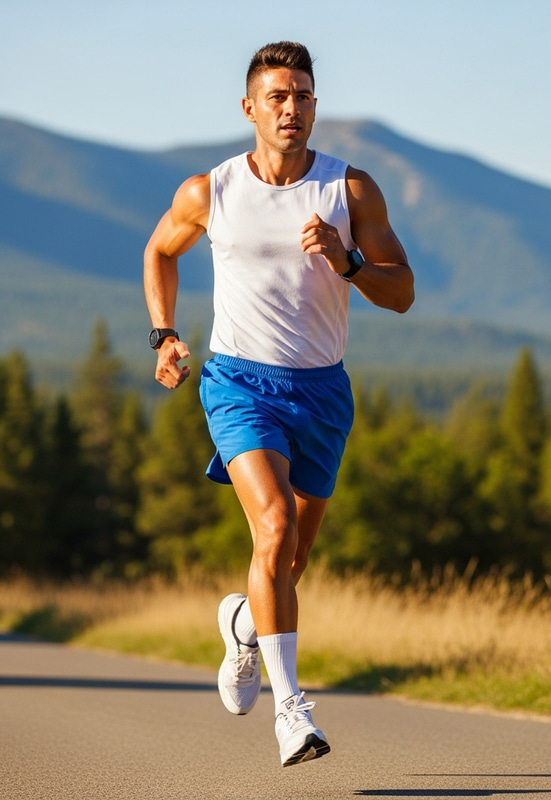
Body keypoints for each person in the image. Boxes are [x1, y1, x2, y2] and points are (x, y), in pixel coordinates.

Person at [143, 41, 414, 767]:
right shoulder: (212, 190)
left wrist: (347, 260)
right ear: (250, 109)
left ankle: (243, 628)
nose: (291, 109)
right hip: (238, 383)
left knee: (289, 557)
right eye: (277, 97)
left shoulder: (350, 191)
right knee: (272, 526)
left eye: (302, 96)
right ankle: (292, 712)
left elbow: (402, 292)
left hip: (323, 390)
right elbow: (161, 251)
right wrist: (165, 334)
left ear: (316, 105)